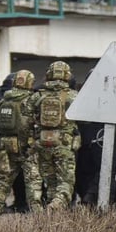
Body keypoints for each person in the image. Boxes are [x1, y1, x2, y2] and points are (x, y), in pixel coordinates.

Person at [28, 61, 79, 211]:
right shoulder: (73, 96)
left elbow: (26, 121)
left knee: (50, 182)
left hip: (43, 143)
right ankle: (55, 207)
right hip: (64, 144)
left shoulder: (37, 96)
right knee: (66, 183)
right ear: (67, 75)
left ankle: (53, 220)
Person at [0, 70, 42, 215]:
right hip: (26, 147)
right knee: (33, 180)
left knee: (4, 180)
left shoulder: (3, 100)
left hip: (6, 146)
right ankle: (36, 212)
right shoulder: (31, 100)